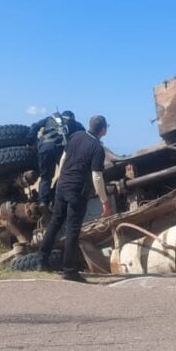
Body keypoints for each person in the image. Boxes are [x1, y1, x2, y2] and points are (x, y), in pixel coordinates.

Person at [39, 115, 111, 281]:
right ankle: (69, 270)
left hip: (62, 185)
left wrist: (60, 180)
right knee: (72, 230)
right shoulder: (97, 148)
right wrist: (104, 202)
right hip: (77, 191)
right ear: (103, 130)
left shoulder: (76, 135)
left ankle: (42, 260)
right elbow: (97, 177)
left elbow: (63, 159)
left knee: (55, 222)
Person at [26, 110, 85, 210]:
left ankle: (43, 202)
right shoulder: (75, 123)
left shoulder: (50, 118)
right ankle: (54, 198)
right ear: (72, 117)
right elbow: (85, 136)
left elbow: (34, 126)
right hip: (61, 150)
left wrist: (30, 142)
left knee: (45, 178)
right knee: (65, 176)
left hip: (45, 148)